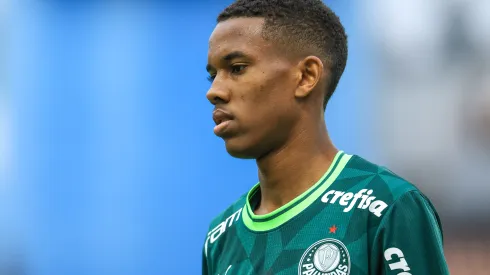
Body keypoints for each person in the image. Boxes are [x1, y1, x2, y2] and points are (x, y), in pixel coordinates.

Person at [202, 0, 449, 274]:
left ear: (306, 76)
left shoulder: (387, 207)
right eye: (212, 75)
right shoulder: (220, 237)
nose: (214, 91)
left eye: (236, 68)